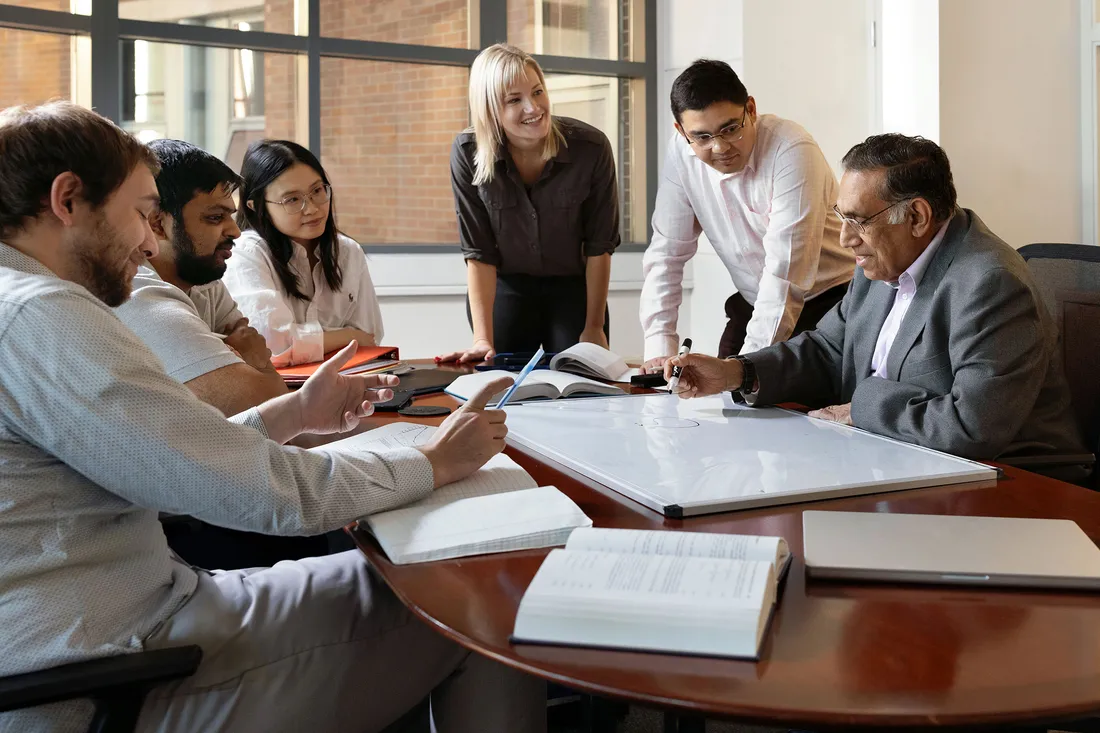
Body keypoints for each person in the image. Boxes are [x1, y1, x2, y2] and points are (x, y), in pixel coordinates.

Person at [0, 102, 543, 733]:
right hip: (124, 669)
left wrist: (290, 413)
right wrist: (433, 461)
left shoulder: (22, 304)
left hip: (123, 626)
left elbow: (171, 455)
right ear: (67, 200)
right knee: (483, 597)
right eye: (143, 215)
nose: (151, 242)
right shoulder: (41, 316)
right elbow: (249, 489)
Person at [664, 133, 1086, 468]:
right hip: (896, 454)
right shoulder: (882, 260)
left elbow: (970, 427)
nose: (846, 239)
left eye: (859, 221)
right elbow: (830, 350)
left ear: (917, 216)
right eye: (841, 217)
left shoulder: (989, 284)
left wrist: (862, 406)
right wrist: (736, 372)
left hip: (1012, 481)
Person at [640, 59, 854, 372]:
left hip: (830, 302)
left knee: (763, 393)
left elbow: (785, 274)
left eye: (730, 129)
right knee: (722, 401)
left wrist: (742, 371)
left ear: (750, 110)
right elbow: (667, 253)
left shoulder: (792, 149)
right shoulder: (681, 151)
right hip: (755, 303)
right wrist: (659, 347)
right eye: (701, 137)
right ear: (681, 131)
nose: (719, 147)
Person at [438, 43, 620, 363]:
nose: (533, 107)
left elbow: (599, 246)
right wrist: (482, 338)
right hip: (507, 285)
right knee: (502, 374)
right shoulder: (467, 153)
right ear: (490, 108)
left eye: (537, 92)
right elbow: (479, 253)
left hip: (572, 285)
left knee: (579, 376)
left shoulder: (590, 148)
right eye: (514, 100)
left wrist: (594, 327)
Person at [115, 138, 286, 416]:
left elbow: (270, 402)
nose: (236, 232)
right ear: (158, 224)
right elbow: (262, 402)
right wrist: (251, 362)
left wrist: (247, 361)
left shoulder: (205, 279)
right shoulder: (136, 289)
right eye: (215, 218)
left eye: (231, 215)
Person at [224, 139, 384, 367]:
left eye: (317, 191)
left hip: (346, 382)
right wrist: (349, 336)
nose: (312, 208)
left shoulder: (348, 251)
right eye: (292, 199)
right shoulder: (246, 253)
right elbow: (271, 344)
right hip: (276, 392)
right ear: (256, 206)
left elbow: (371, 336)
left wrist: (300, 339)